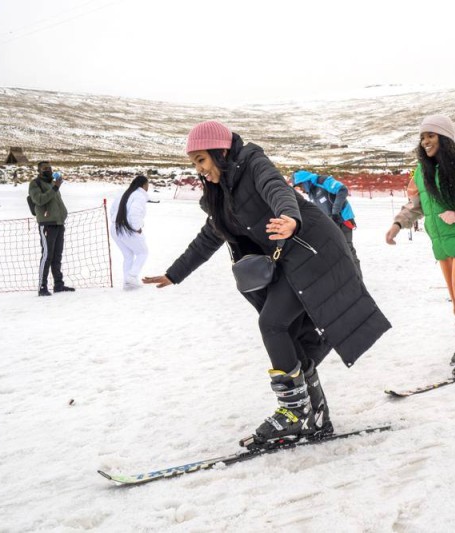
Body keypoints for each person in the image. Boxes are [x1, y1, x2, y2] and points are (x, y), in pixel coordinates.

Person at [143, 120, 390, 447]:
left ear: (220, 152)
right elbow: (208, 238)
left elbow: (277, 189)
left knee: (273, 323)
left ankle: (294, 411)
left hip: (311, 248)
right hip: (288, 260)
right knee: (293, 336)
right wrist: (175, 273)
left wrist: (290, 218)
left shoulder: (252, 162)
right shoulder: (221, 195)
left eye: (201, 160)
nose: (199, 169)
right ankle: (315, 416)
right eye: (194, 163)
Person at [385, 114, 455, 375]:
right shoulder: (422, 171)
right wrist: (398, 224)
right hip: (442, 242)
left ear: (444, 138)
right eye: (422, 137)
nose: (425, 142)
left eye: (431, 135)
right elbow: (415, 204)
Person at [291, 170, 362, 278]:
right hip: (332, 222)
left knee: (348, 249)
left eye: (300, 186)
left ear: (304, 181)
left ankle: (358, 279)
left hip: (343, 220)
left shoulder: (322, 181)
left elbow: (342, 190)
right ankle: (346, 276)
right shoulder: (311, 193)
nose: (301, 190)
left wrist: (335, 212)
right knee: (334, 250)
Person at [29, 161, 75, 296]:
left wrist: (55, 187)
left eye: (49, 168)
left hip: (59, 223)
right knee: (47, 255)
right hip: (47, 223)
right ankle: (42, 286)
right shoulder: (35, 184)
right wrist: (55, 188)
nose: (48, 170)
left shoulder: (52, 183)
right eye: (45, 169)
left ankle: (58, 284)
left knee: (57, 256)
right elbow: (39, 200)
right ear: (39, 170)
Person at [110, 175, 150, 290]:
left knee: (128, 256)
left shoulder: (124, 193)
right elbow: (134, 213)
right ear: (143, 185)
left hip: (115, 227)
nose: (148, 187)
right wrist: (137, 227)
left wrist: (115, 222)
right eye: (148, 184)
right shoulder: (139, 196)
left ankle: (127, 284)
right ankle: (131, 276)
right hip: (127, 228)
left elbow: (112, 210)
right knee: (143, 252)